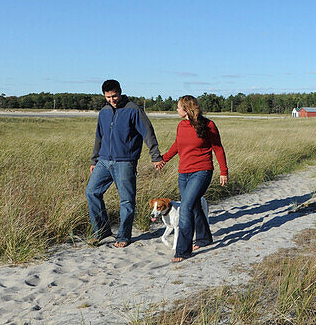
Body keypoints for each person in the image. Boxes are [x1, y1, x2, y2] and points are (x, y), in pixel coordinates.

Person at [85, 79, 164, 247]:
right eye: (108, 97)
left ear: (120, 92)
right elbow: (99, 137)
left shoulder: (134, 110)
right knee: (92, 192)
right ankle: (102, 230)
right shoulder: (104, 112)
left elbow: (148, 133)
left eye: (114, 96)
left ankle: (123, 236)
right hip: (104, 161)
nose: (112, 100)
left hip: (125, 162)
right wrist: (94, 159)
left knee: (126, 200)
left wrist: (155, 155)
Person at [161, 94, 229, 262]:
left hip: (202, 172)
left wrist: (224, 171)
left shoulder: (209, 125)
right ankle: (204, 238)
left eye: (178, 107)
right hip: (183, 173)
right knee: (195, 205)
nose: (176, 110)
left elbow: (218, 148)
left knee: (185, 208)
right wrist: (164, 159)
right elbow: (177, 145)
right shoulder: (181, 126)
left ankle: (183, 250)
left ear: (186, 109)